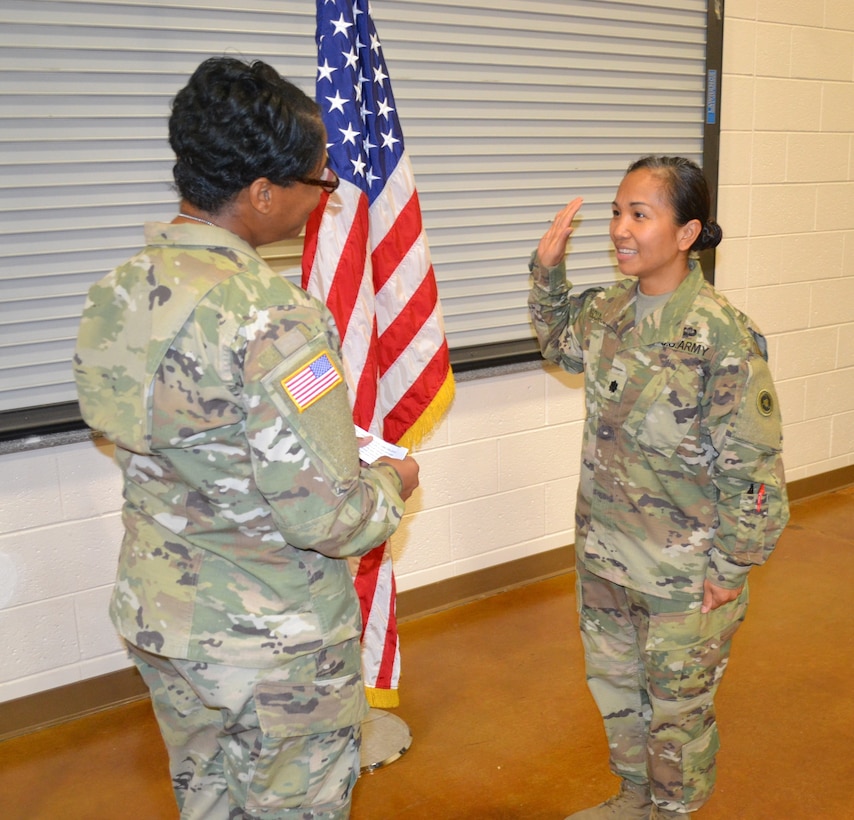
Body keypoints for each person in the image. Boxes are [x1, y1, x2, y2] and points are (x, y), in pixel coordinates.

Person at [74, 56, 419, 820]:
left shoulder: (118, 292)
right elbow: (327, 518)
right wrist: (395, 484)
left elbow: (127, 429)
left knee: (208, 798)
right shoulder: (271, 317)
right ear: (263, 193)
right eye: (318, 185)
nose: (323, 201)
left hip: (163, 622)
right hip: (271, 647)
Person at [528, 156, 789, 819]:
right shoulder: (609, 309)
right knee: (618, 692)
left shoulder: (722, 336)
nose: (619, 228)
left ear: (686, 232)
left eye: (639, 214)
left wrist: (730, 567)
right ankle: (634, 798)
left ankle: (673, 810)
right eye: (617, 211)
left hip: (684, 572)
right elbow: (560, 345)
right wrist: (548, 273)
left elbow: (755, 470)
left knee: (677, 716)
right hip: (607, 555)